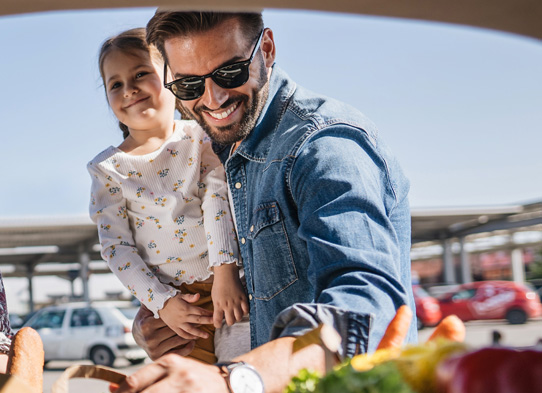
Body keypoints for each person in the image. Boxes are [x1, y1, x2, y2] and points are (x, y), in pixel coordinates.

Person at [115, 11, 417, 393]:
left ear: (267, 49)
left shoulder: (324, 146)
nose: (214, 98)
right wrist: (158, 327)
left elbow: (366, 303)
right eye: (190, 85)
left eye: (230, 73)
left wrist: (235, 379)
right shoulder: (212, 153)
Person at [87, 28, 249, 365]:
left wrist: (225, 274)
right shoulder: (108, 169)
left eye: (141, 74)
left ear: (172, 78)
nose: (128, 88)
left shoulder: (199, 136)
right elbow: (117, 247)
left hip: (230, 283)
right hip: (178, 304)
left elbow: (216, 200)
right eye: (114, 84)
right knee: (186, 380)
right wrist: (162, 303)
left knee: (239, 370)